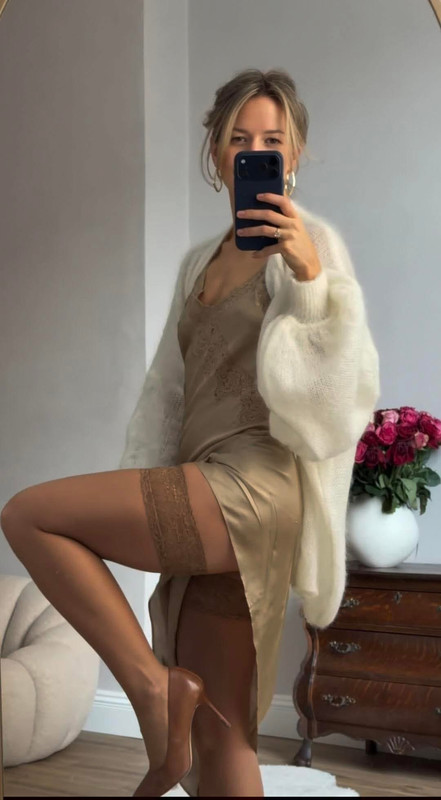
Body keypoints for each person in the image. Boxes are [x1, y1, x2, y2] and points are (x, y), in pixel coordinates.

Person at [1, 68, 380, 798]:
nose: (254, 152)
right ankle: (167, 694)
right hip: (203, 486)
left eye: (272, 140)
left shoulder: (314, 247)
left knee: (28, 514)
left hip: (257, 488)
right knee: (219, 734)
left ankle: (150, 689)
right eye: (238, 139)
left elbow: (338, 407)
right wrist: (145, 478)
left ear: (295, 152)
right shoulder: (197, 263)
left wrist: (309, 284)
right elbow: (168, 398)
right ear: (214, 152)